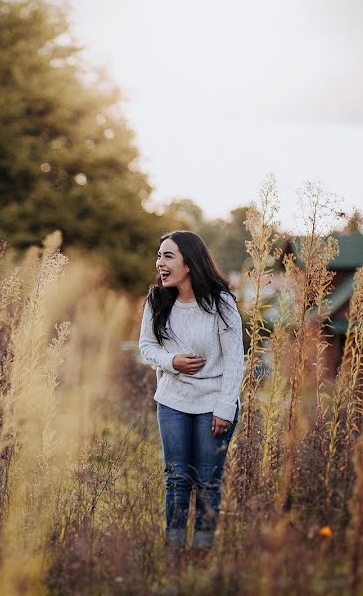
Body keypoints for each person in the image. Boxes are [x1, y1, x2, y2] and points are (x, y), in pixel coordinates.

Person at [138, 230, 243, 549]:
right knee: (177, 479)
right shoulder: (157, 299)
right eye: (159, 256)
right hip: (172, 402)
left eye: (168, 256)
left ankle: (201, 552)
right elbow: (147, 346)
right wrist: (172, 361)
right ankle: (174, 552)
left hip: (213, 404)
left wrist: (226, 407)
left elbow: (235, 358)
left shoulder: (220, 302)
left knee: (207, 483)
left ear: (189, 263)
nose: (160, 263)